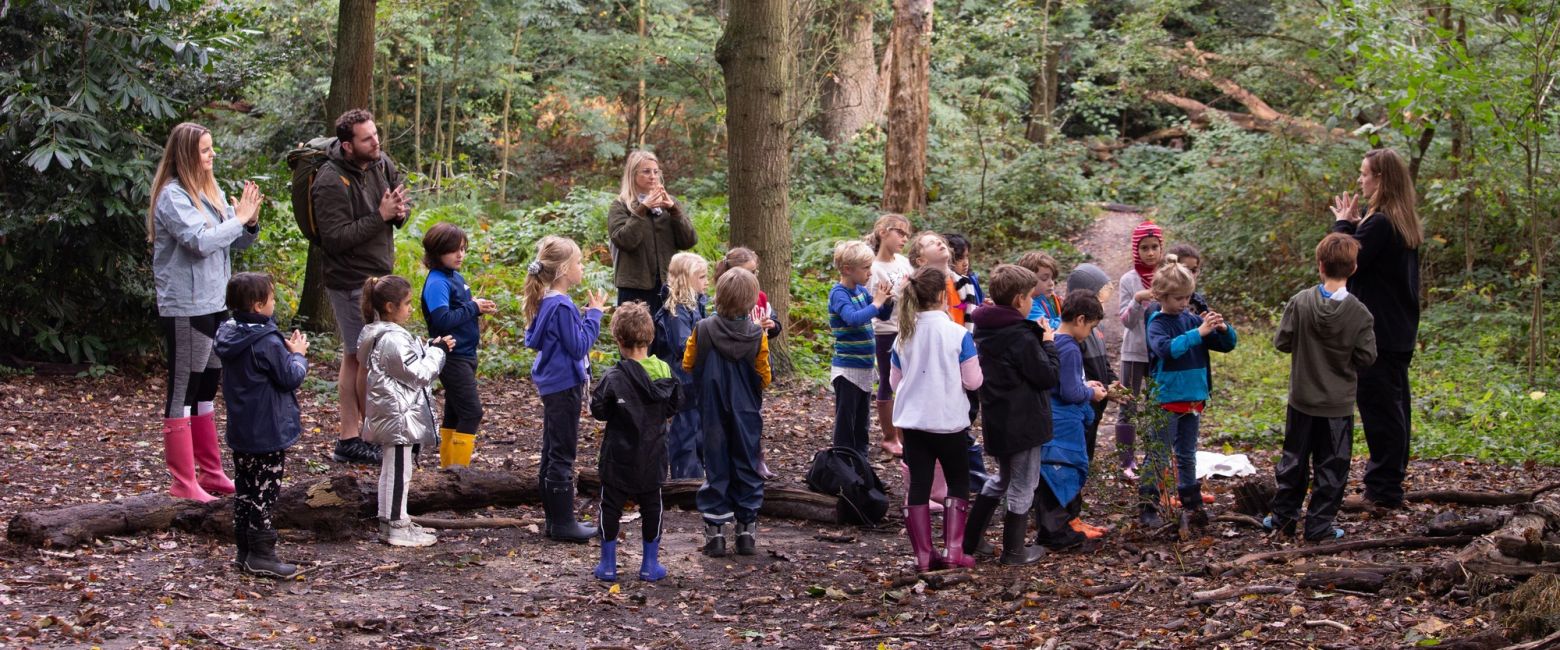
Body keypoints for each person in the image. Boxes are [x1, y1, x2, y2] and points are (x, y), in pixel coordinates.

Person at [147, 121, 260, 502]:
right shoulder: (173, 196)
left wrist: (249, 222)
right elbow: (199, 242)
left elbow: (234, 242)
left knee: (207, 390)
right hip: (186, 306)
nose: (213, 156)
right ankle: (183, 481)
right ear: (187, 154)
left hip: (215, 303)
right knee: (184, 389)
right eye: (206, 150)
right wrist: (238, 220)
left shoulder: (208, 191)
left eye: (212, 148)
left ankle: (211, 473)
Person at [312, 109, 410, 466]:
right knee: (362, 358)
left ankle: (354, 436)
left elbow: (400, 206)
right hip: (350, 280)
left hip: (378, 276)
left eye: (376, 134)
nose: (376, 141)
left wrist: (399, 213)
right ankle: (359, 437)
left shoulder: (382, 163)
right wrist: (380, 217)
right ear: (347, 145)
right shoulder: (329, 180)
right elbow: (335, 239)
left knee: (357, 356)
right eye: (367, 138)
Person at [1329, 148, 1423, 510]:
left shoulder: (1381, 222)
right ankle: (1387, 484)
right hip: (1396, 329)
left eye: (1365, 173)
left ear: (1381, 177)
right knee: (1394, 407)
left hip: (1378, 333)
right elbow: (1369, 259)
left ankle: (1383, 491)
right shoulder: (1395, 220)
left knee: (1382, 410)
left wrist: (1342, 225)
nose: (1360, 179)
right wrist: (1355, 226)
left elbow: (1343, 263)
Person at [1268, 234, 1377, 541]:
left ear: (1320, 266)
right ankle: (1318, 526)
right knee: (1332, 468)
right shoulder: (1360, 314)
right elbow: (1367, 357)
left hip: (1301, 400)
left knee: (1293, 461)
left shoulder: (1300, 302)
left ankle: (1283, 520)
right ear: (1354, 268)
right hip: (1337, 406)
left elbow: (1282, 342)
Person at [213, 273, 307, 578]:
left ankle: (245, 550)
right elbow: (290, 377)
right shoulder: (265, 341)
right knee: (263, 492)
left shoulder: (229, 332)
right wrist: (299, 357)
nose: (275, 303)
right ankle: (262, 554)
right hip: (267, 430)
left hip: (243, 429)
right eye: (272, 298)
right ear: (257, 305)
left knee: (245, 488)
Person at [891, 267, 984, 571]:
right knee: (958, 480)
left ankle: (922, 555)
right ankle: (954, 551)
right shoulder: (958, 334)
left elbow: (895, 383)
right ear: (944, 296)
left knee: (919, 482)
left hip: (913, 423)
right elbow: (973, 381)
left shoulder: (902, 336)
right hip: (949, 421)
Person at [964, 264, 1055, 566]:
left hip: (999, 419)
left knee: (1003, 477)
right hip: (1024, 421)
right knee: (1023, 482)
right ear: (1019, 300)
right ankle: (1014, 551)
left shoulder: (986, 329)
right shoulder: (1020, 336)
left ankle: (971, 539)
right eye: (1030, 296)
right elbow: (1046, 376)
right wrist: (1049, 344)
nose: (1032, 302)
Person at [1138, 257, 1237, 528]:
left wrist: (1222, 328)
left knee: (1187, 453)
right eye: (1178, 298)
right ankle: (1147, 505)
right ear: (1160, 296)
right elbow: (1167, 350)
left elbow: (1227, 345)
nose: (1183, 303)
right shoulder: (1157, 322)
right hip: (1167, 399)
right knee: (1158, 453)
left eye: (1187, 297)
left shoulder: (1192, 319)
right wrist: (1199, 332)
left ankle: (1191, 501)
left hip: (1194, 398)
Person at [591, 302, 683, 582]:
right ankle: (650, 564)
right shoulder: (665, 372)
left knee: (610, 507)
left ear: (618, 340)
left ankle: (608, 564)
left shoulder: (614, 376)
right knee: (652, 506)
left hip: (618, 457)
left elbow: (599, 410)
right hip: (653, 454)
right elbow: (675, 404)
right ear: (651, 337)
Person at [523, 236, 606, 543]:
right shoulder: (561, 305)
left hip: (554, 383)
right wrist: (594, 315)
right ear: (563, 270)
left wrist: (583, 317)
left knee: (552, 447)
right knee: (562, 451)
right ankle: (562, 523)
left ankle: (555, 520)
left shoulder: (548, 302)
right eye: (579, 263)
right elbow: (578, 347)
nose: (582, 268)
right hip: (564, 384)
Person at [683, 268, 771, 557]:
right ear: (750, 303)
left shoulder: (703, 328)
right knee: (747, 464)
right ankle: (746, 530)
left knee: (716, 464)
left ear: (719, 296)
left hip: (712, 410)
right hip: (746, 412)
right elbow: (765, 375)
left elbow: (688, 362)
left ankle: (716, 533)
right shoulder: (757, 334)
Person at [358, 275, 451, 547]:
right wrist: (439, 353)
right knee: (399, 472)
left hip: (396, 413)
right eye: (407, 304)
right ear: (389, 306)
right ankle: (397, 525)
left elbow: (404, 367)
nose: (411, 309)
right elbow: (419, 374)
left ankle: (393, 520)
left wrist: (429, 348)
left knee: (393, 469)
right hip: (398, 417)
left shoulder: (385, 336)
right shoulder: (392, 339)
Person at [420, 223, 497, 468]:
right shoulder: (437, 282)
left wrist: (476, 306)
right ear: (437, 251)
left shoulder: (455, 277)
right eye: (454, 250)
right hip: (451, 357)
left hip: (465, 354)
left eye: (463, 249)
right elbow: (442, 320)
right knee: (472, 412)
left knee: (454, 413)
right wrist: (472, 308)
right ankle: (458, 473)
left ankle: (448, 471)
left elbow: (457, 310)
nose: (460, 254)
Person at [1037, 290, 1110, 551]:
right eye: (1091, 327)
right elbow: (1069, 392)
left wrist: (1084, 383)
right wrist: (1092, 393)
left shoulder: (1056, 339)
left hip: (1055, 422)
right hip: (1062, 425)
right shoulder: (1068, 348)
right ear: (1080, 320)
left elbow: (1065, 382)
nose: (1090, 333)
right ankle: (1056, 533)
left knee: (1058, 473)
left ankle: (1067, 525)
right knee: (1061, 472)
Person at [1062, 263, 1121, 539]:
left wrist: (1112, 384)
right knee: (1074, 461)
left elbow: (1104, 365)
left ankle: (1074, 515)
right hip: (1080, 408)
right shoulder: (1074, 335)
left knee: (1085, 459)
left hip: (1094, 407)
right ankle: (1067, 517)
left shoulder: (1093, 331)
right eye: (1100, 294)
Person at [713, 247, 781, 479]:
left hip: (755, 365)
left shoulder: (760, 296)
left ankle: (756, 457)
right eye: (748, 272)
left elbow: (774, 321)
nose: (753, 277)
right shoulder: (722, 297)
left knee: (754, 414)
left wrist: (772, 326)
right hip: (731, 367)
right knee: (729, 416)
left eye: (755, 271)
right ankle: (730, 461)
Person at [608, 150, 698, 315]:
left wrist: (674, 211)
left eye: (656, 172)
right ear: (632, 175)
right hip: (634, 289)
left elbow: (689, 240)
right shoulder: (621, 205)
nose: (653, 176)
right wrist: (643, 209)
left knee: (668, 338)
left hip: (669, 287)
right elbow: (625, 241)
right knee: (636, 338)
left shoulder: (669, 204)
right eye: (646, 171)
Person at [829, 240, 891, 454]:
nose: (870, 273)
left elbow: (882, 315)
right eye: (866, 268)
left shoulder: (861, 292)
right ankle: (842, 460)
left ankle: (860, 460)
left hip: (864, 367)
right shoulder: (839, 294)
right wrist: (876, 304)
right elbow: (853, 318)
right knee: (846, 420)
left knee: (862, 421)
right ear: (848, 269)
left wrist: (886, 301)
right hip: (847, 370)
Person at [1115, 220, 1164, 479]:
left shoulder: (1168, 276)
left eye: (1154, 247)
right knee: (1128, 405)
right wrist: (1138, 299)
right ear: (1136, 249)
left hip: (1160, 354)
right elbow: (1125, 320)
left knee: (1157, 406)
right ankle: (1126, 460)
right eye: (1144, 247)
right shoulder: (1129, 280)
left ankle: (1155, 458)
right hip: (1134, 352)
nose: (1150, 252)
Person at [657, 252, 710, 479]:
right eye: (701, 277)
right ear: (687, 279)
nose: (706, 282)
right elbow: (682, 346)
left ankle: (696, 476)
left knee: (697, 428)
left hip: (694, 377)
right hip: (682, 378)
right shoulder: (677, 309)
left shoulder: (695, 304)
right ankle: (685, 479)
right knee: (685, 431)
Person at [868, 214, 914, 457]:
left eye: (907, 234)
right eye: (899, 232)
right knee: (887, 380)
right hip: (885, 332)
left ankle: (906, 432)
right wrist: (900, 290)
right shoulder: (873, 268)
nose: (904, 238)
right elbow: (876, 304)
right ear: (883, 232)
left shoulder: (905, 262)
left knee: (908, 380)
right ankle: (889, 436)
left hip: (907, 328)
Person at [1017, 251, 1063, 330]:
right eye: (1044, 279)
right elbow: (1050, 328)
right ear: (1028, 281)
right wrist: (1067, 315)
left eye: (1052, 278)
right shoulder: (1029, 306)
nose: (1051, 283)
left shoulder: (1050, 297)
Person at [943, 233, 981, 329]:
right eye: (960, 258)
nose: (966, 263)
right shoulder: (944, 283)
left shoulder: (970, 280)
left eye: (967, 256)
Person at [1165, 243, 1210, 315]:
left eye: (1193, 271)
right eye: (1185, 270)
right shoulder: (1162, 304)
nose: (1190, 275)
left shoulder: (1198, 301)